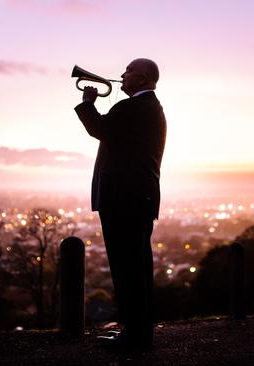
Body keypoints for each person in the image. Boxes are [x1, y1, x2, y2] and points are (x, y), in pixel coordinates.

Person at [74, 58, 167, 351]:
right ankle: (138, 334)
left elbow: (99, 129)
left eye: (128, 71)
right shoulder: (151, 108)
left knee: (127, 269)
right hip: (137, 198)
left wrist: (87, 102)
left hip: (123, 199)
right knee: (136, 268)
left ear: (142, 78)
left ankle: (135, 338)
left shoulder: (132, 107)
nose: (122, 76)